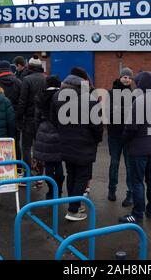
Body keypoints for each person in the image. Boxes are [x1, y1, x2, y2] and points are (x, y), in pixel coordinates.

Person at [53, 67, 103, 222]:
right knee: (81, 176)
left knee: (71, 174)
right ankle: (73, 210)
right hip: (85, 144)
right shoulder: (89, 99)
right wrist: (96, 140)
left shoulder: (57, 96)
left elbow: (53, 119)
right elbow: (97, 126)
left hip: (65, 142)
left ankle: (73, 205)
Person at [119, 71, 151, 224]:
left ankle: (137, 214)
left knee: (137, 182)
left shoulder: (140, 101)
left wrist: (123, 140)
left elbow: (131, 127)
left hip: (139, 148)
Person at [107, 67, 134, 207]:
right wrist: (124, 111)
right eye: (125, 76)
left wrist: (119, 110)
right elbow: (109, 113)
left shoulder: (134, 94)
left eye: (129, 77)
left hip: (129, 136)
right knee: (114, 163)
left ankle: (130, 194)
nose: (127, 79)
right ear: (120, 77)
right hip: (114, 135)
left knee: (130, 166)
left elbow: (134, 114)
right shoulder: (111, 93)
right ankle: (112, 190)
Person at [33, 75, 64, 199]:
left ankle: (51, 191)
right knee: (59, 163)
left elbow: (37, 117)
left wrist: (38, 133)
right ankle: (59, 191)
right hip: (60, 131)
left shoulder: (41, 96)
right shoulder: (63, 96)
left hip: (44, 130)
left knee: (49, 164)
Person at [16, 56, 46, 172]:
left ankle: (26, 173)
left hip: (29, 118)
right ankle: (40, 174)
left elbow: (22, 101)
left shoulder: (27, 80)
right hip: (42, 118)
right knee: (39, 147)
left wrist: (19, 116)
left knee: (26, 147)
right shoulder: (45, 79)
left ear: (30, 66)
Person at [0, 61, 23, 169]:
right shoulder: (18, 82)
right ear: (9, 69)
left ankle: (1, 168)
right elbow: (22, 100)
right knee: (15, 142)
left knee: (0, 142)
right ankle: (18, 167)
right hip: (15, 116)